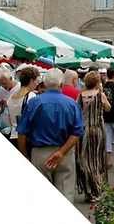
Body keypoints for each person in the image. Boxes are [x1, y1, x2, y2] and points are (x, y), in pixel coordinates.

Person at [16, 68, 84, 204]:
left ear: (45, 84)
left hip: (40, 152)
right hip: (65, 152)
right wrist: (61, 152)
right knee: (65, 193)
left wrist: (24, 154)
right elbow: (77, 132)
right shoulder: (72, 104)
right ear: (61, 84)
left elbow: (22, 131)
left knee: (41, 197)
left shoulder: (34, 102)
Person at [76, 71, 111, 202]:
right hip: (97, 130)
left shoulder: (80, 96)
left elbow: (77, 110)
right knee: (97, 160)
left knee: (84, 159)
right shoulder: (100, 95)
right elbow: (108, 108)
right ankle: (98, 188)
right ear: (97, 83)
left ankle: (88, 190)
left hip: (84, 130)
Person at [7, 67, 39, 150]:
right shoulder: (31, 96)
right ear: (31, 81)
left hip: (13, 135)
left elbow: (9, 118)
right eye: (36, 81)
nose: (37, 84)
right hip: (25, 137)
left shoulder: (11, 97)